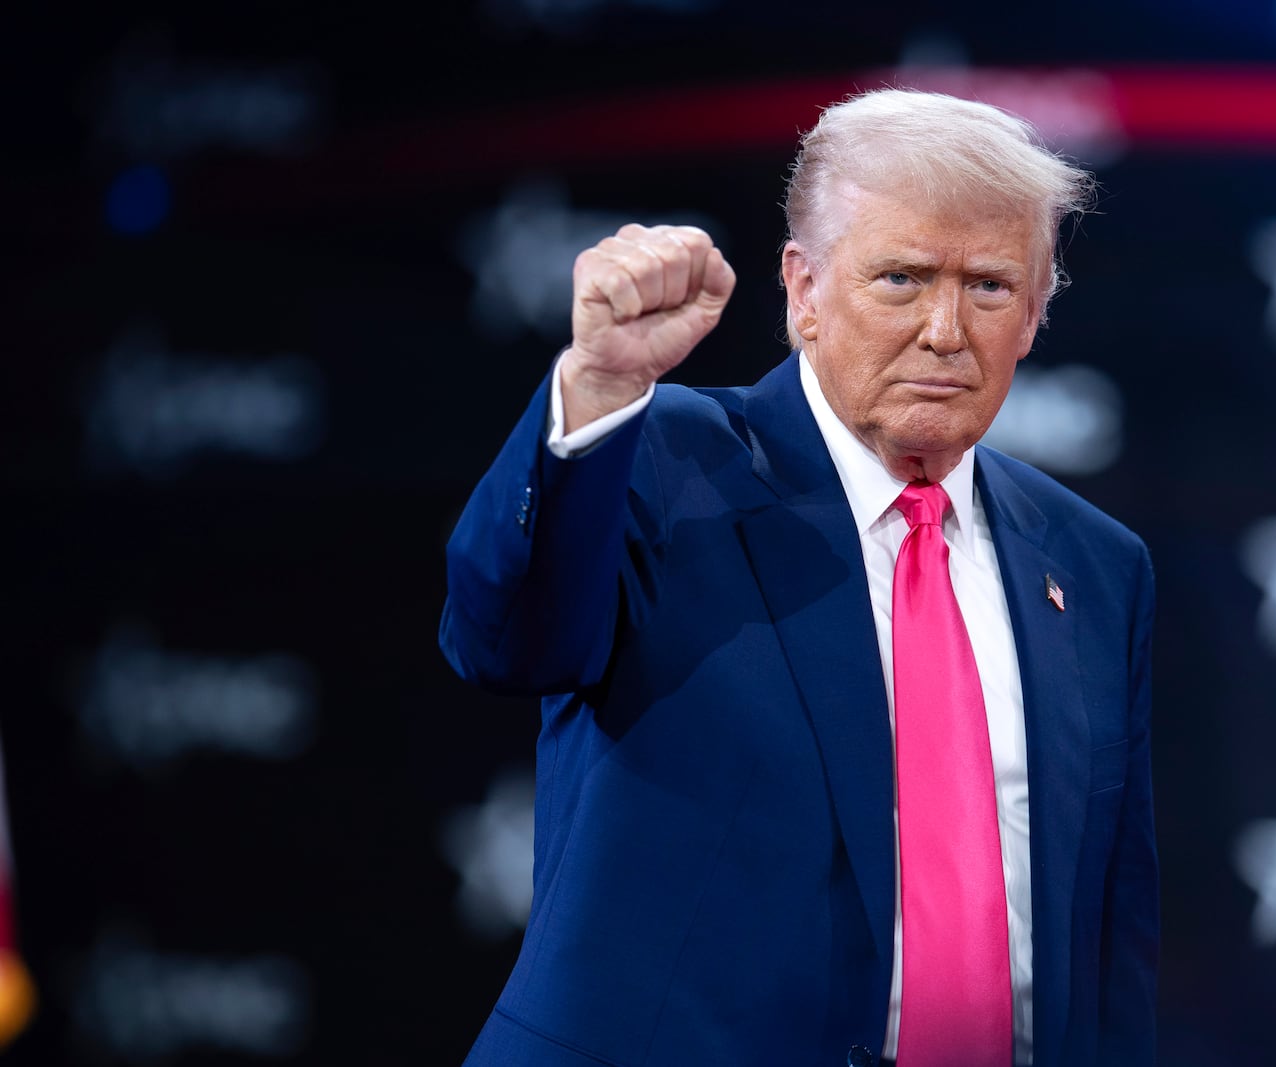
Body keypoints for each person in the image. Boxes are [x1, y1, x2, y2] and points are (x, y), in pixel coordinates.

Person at [439, 88, 1157, 1067]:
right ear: (804, 288)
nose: (946, 330)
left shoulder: (1095, 566)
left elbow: (1107, 949)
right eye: (900, 278)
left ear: (1034, 315)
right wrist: (598, 390)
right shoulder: (662, 463)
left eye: (988, 286)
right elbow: (506, 636)